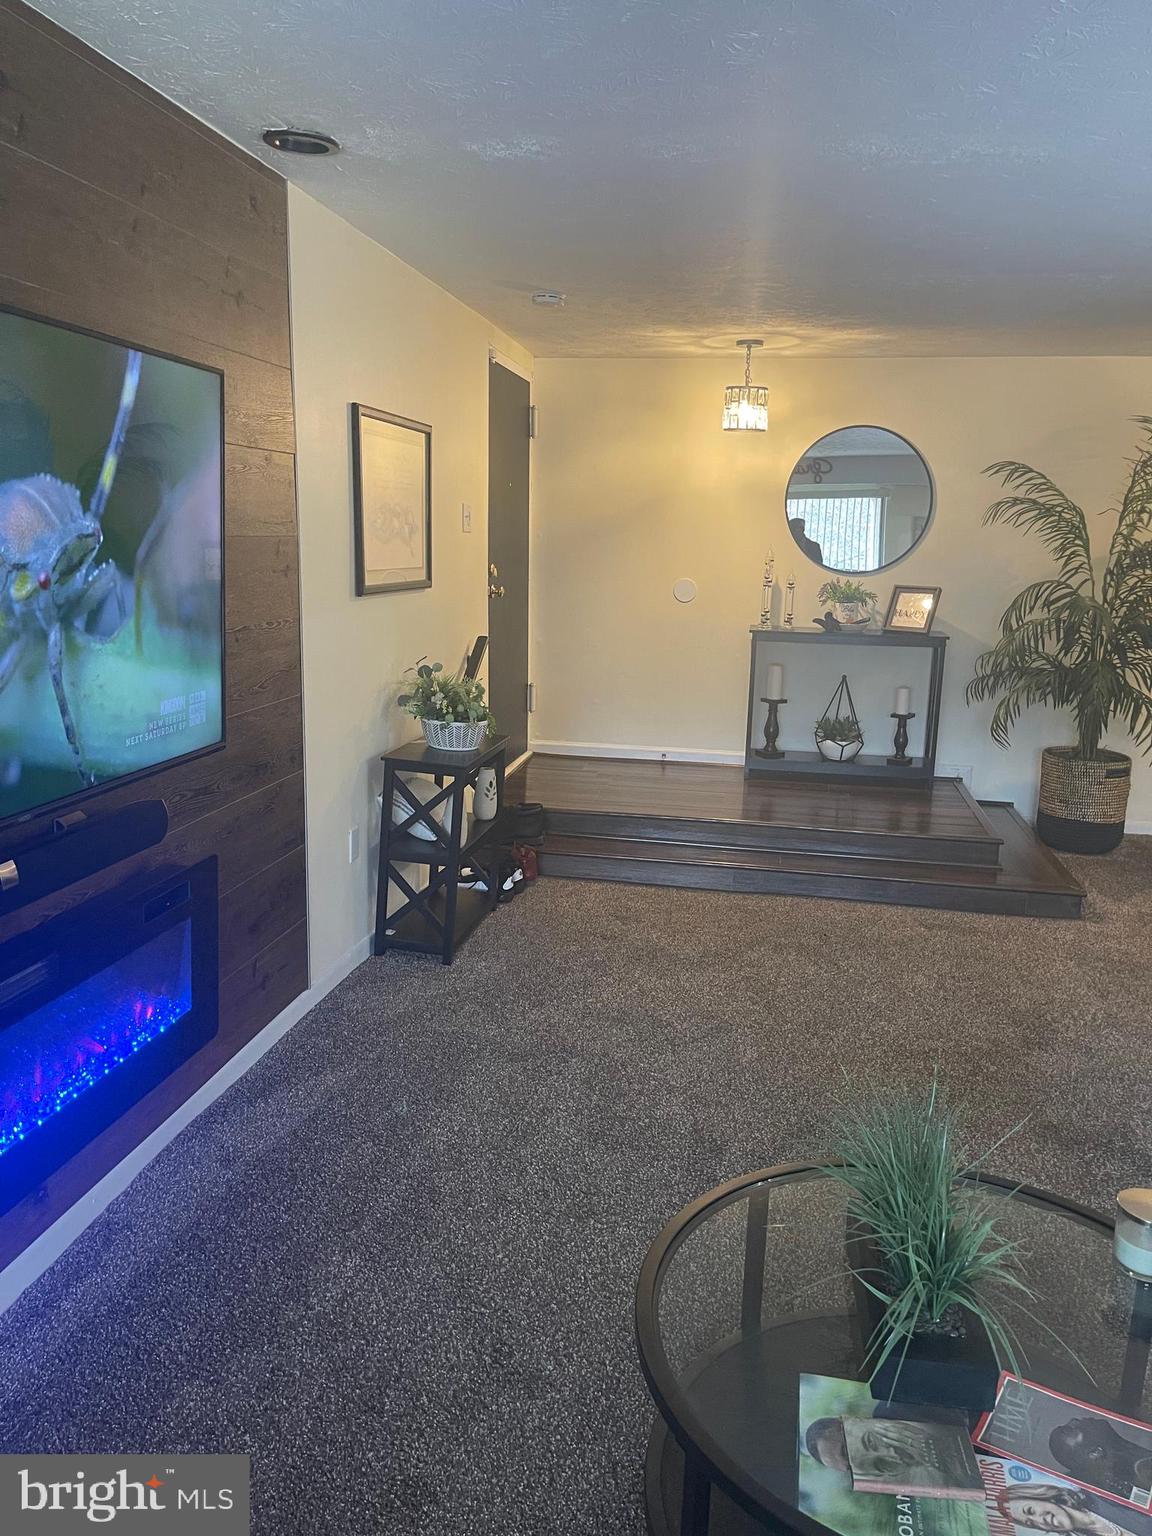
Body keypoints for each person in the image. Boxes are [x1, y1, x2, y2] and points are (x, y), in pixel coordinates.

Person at [1049, 1417, 1152, 1503]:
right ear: (1095, 1452)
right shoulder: (1139, 1476)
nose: (1074, 1419)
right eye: (1071, 1429)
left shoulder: (1135, 1460)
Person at [997, 1482, 1131, 1536]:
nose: (1039, 1521)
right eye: (1030, 1523)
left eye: (1031, 1511)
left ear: (1041, 1496)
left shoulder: (1100, 1494)